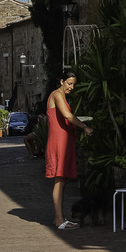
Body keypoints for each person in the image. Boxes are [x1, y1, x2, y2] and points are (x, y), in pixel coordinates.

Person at [45, 69, 93, 230]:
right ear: (61, 81)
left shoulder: (61, 96)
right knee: (59, 181)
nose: (71, 87)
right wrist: (84, 126)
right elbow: (67, 115)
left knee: (62, 181)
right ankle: (59, 220)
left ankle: (59, 218)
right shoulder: (57, 95)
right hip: (58, 142)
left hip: (63, 141)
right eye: (69, 83)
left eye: (73, 84)